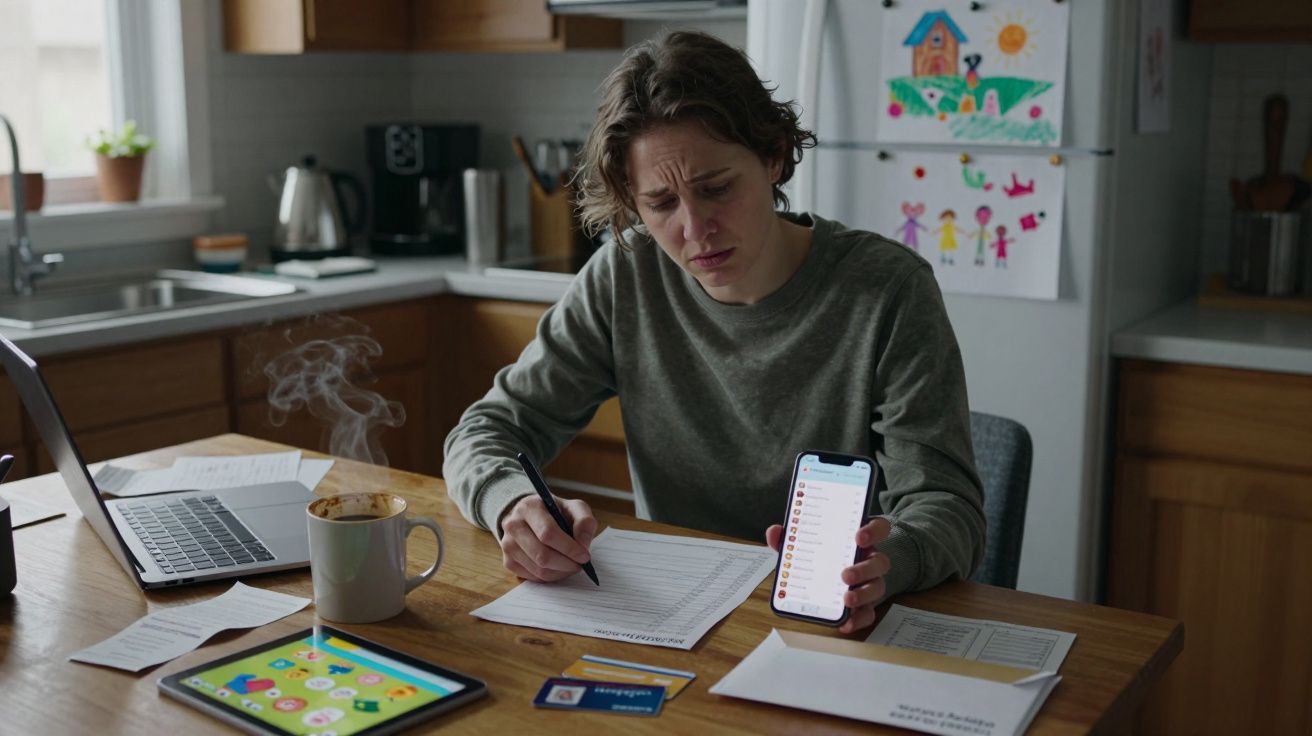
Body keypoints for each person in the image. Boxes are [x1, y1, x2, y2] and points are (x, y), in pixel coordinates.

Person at [444, 31, 985, 634]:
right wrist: (512, 505)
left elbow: (947, 507)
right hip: (674, 617)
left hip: (832, 620)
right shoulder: (626, 276)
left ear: (774, 156)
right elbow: (485, 431)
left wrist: (893, 558)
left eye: (716, 189)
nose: (694, 229)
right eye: (661, 203)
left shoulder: (888, 290)